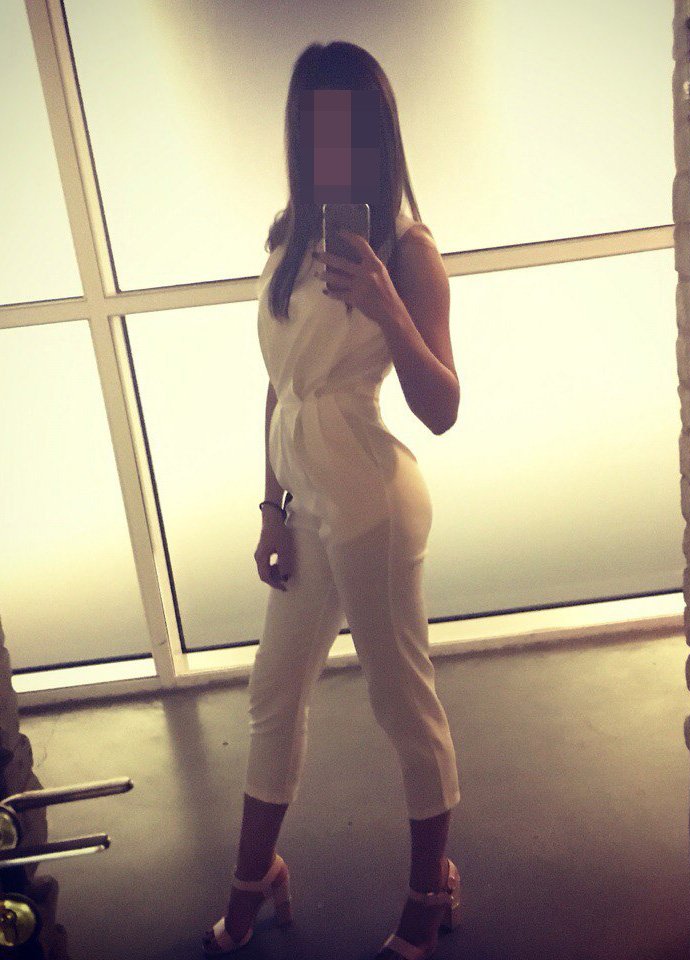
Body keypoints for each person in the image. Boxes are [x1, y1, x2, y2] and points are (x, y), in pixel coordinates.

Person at [203, 40, 462, 960]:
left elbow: (442, 408)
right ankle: (253, 878)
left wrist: (389, 304)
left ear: (377, 132)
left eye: (348, 123)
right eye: (315, 123)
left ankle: (429, 891)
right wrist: (269, 509)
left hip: (372, 506)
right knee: (272, 694)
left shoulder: (406, 250)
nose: (330, 142)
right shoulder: (287, 238)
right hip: (304, 502)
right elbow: (279, 386)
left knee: (401, 704)